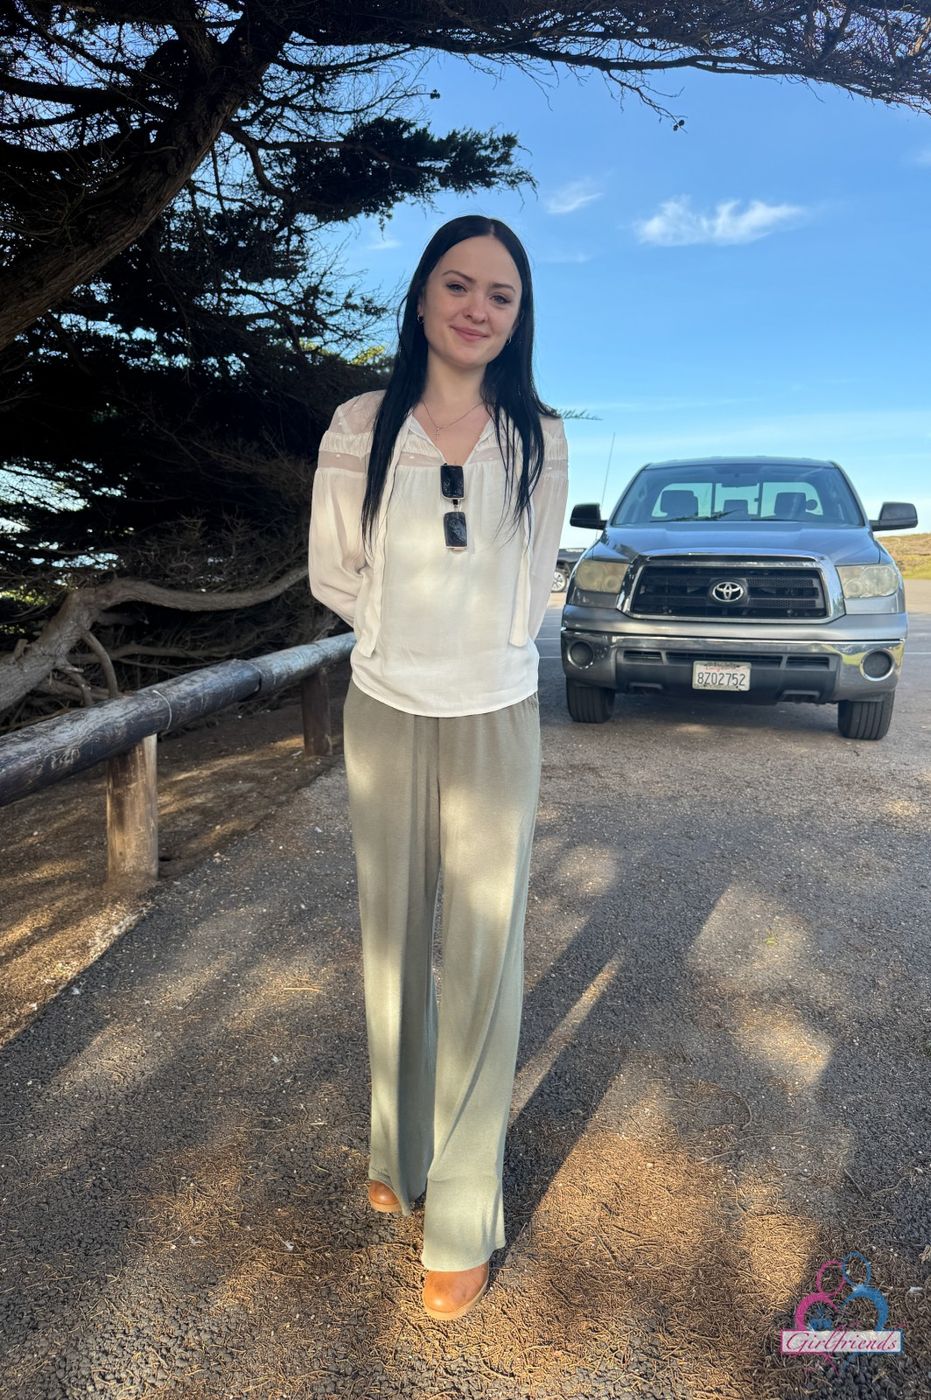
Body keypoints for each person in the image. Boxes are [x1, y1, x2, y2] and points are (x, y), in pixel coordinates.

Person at [307, 213, 569, 1320]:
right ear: (421, 297)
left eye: (500, 294)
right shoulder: (360, 425)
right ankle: (398, 1144)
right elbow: (334, 570)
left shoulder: (536, 435)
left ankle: (460, 1214)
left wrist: (482, 652)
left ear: (518, 318)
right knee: (390, 939)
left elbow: (534, 582)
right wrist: (397, 639)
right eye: (457, 284)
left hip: (495, 716)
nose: (476, 307)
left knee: (483, 959)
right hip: (386, 710)